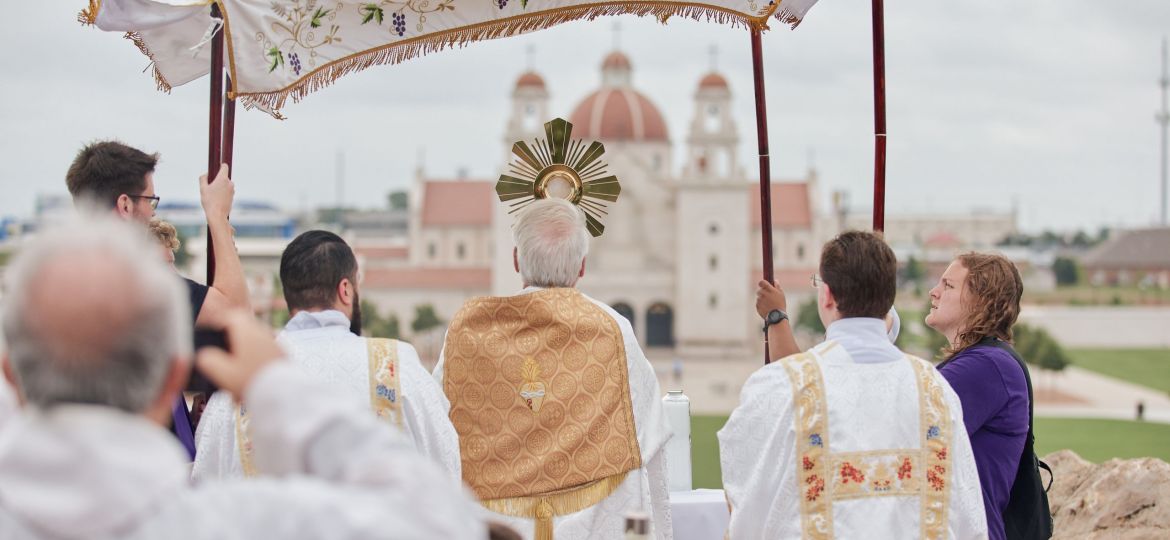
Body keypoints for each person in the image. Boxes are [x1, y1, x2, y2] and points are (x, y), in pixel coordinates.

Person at [0, 216, 485, 539]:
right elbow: (445, 516)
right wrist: (275, 388)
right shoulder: (226, 522)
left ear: (10, 374)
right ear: (172, 379)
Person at [719, 231, 986, 539]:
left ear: (828, 295)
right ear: (889, 299)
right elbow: (967, 515)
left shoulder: (781, 384)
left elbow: (749, 495)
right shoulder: (935, 390)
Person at [434, 198, 673, 540]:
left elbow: (434, 430)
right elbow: (650, 433)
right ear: (582, 267)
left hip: (497, 523)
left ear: (517, 260)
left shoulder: (468, 332)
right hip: (591, 522)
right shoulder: (612, 330)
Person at [193, 230, 461, 479]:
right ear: (346, 290)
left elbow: (206, 483)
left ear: (289, 295)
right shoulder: (397, 365)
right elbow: (443, 463)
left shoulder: (247, 379)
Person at [66, 140, 251, 457]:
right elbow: (235, 311)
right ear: (125, 205)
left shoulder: (53, 278)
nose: (152, 210)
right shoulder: (139, 279)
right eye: (150, 200)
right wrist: (217, 216)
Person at [926, 253, 1030, 540]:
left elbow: (903, 420)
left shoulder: (986, 366)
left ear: (981, 302)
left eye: (948, 286)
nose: (933, 292)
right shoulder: (983, 363)